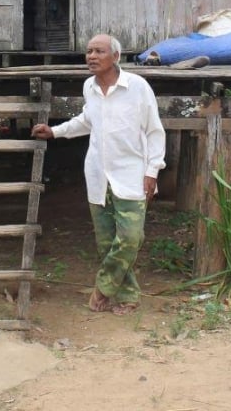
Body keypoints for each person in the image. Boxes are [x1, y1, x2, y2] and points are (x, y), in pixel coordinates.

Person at [31, 34, 165, 315]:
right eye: (89, 51)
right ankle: (127, 297)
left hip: (131, 174)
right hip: (97, 175)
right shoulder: (89, 87)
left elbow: (154, 131)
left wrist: (152, 171)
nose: (91, 56)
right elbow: (87, 121)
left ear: (115, 57)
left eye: (99, 51)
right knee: (106, 243)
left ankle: (103, 287)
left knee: (130, 238)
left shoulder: (137, 87)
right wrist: (55, 131)